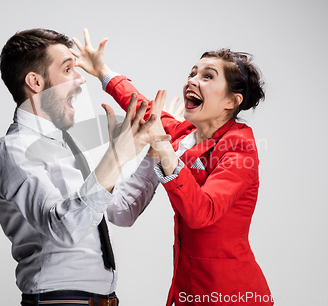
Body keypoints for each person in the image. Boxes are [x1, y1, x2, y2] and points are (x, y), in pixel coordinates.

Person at [73, 29, 273, 305]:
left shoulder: (240, 146)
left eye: (207, 76)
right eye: (193, 73)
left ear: (231, 101)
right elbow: (142, 106)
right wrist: (102, 71)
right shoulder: (186, 132)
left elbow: (202, 212)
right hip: (188, 286)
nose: (193, 80)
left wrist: (163, 148)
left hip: (231, 293)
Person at [0, 28, 169, 306]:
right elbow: (64, 228)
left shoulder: (67, 146)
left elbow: (120, 210)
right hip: (59, 301)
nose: (81, 78)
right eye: (68, 69)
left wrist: (156, 150)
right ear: (35, 81)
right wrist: (116, 155)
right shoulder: (13, 150)